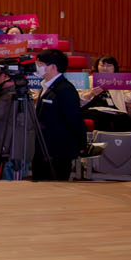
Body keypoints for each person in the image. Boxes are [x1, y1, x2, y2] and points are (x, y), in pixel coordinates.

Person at [32, 48, 85, 181]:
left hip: (58, 150)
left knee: (55, 185)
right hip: (43, 148)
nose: (37, 67)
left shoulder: (65, 89)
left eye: (40, 64)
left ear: (53, 67)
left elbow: (74, 119)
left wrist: (81, 144)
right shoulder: (46, 86)